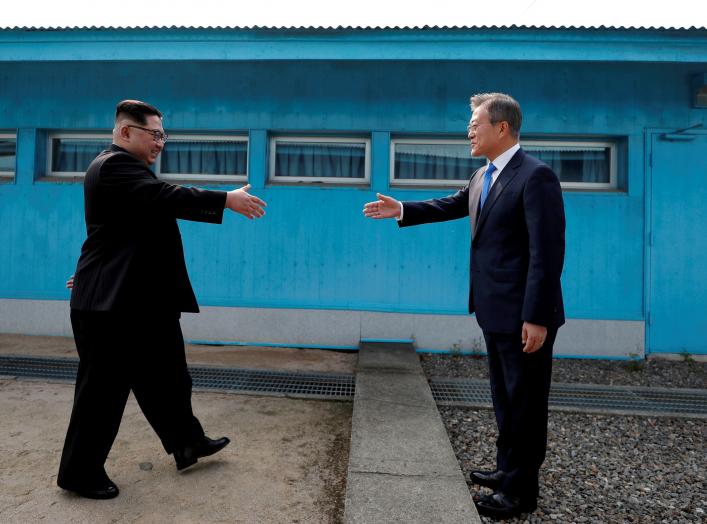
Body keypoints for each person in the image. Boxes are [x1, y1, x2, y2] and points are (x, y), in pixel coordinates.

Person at [363, 93, 565, 520]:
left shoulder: (536, 176)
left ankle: (520, 492)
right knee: (504, 398)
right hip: (493, 309)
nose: (469, 131)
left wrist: (536, 316)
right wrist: (402, 208)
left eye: (476, 123)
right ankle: (506, 469)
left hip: (524, 315)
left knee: (526, 403)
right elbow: (450, 205)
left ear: (502, 128)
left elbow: (546, 254)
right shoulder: (482, 176)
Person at [57, 100, 267, 500]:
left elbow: (120, 236)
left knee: (169, 378)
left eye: (163, 136)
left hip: (137, 301)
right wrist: (225, 199)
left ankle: (188, 443)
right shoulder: (114, 165)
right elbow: (167, 196)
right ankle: (79, 473)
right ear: (125, 133)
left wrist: (92, 274)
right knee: (102, 394)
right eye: (153, 134)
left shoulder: (130, 173)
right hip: (111, 310)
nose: (160, 143)